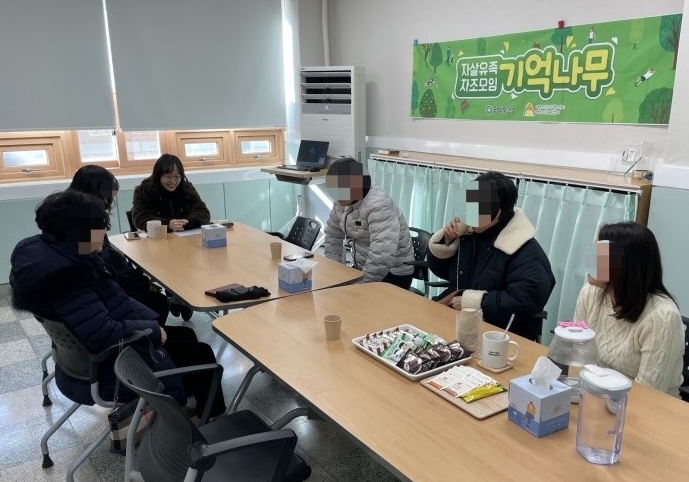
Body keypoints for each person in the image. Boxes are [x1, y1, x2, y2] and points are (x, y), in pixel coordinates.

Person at [10, 190, 226, 417]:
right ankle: (207, 420)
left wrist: (150, 321)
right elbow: (102, 333)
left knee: (186, 335)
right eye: (100, 228)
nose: (104, 234)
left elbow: (111, 302)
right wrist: (152, 330)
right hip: (111, 368)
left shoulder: (53, 254)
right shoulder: (68, 280)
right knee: (202, 354)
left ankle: (184, 403)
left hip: (89, 356)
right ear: (79, 232)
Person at [427, 171, 555, 341]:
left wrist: (474, 302)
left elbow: (524, 301)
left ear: (498, 212)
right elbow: (441, 272)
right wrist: (448, 241)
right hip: (457, 320)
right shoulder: (469, 234)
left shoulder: (525, 249)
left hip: (499, 334)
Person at [574, 221, 684, 397]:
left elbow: (648, 395)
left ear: (624, 265)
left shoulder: (662, 317)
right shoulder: (590, 293)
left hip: (645, 407)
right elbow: (576, 357)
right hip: (593, 396)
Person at [69, 165, 170, 323]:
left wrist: (141, 281)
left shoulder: (69, 215)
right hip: (105, 292)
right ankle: (151, 336)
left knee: (155, 298)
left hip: (103, 286)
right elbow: (106, 266)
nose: (107, 203)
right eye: (106, 198)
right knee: (159, 302)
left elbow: (111, 259)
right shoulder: (86, 223)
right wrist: (142, 284)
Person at [323, 157, 415, 289]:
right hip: (363, 266)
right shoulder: (342, 201)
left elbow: (381, 256)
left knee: (352, 298)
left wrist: (362, 286)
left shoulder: (378, 206)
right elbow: (333, 236)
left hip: (393, 272)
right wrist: (336, 273)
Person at [131, 154, 210, 232]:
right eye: (168, 177)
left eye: (177, 176)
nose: (173, 181)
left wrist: (189, 222)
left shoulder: (187, 189)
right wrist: (167, 224)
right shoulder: (144, 191)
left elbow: (203, 212)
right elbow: (140, 218)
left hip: (183, 236)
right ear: (158, 175)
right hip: (156, 237)